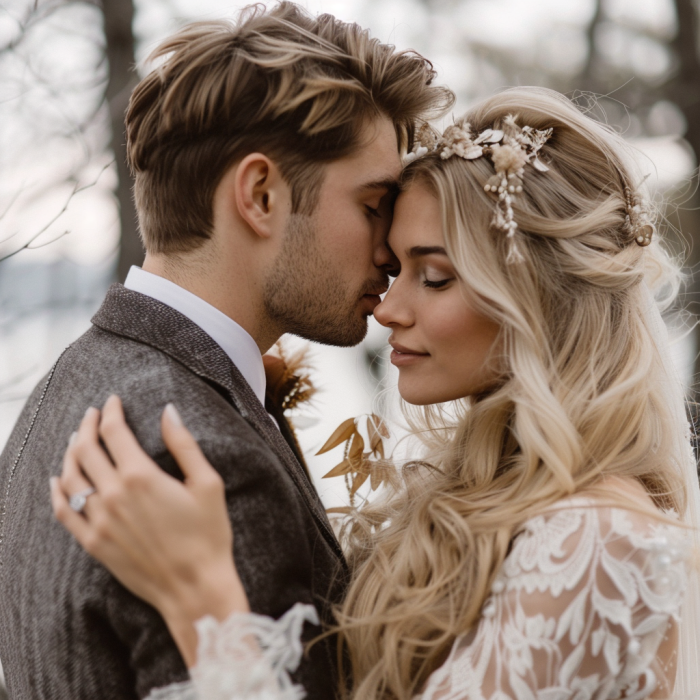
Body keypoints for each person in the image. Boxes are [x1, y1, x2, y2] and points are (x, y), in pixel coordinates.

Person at [52, 87, 700, 700]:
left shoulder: (600, 541)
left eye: (435, 276)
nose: (388, 309)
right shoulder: (499, 501)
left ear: (542, 301)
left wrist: (205, 604)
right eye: (395, 268)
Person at [0, 4, 452, 698]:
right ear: (261, 195)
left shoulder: (69, 384)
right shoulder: (203, 455)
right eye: (371, 205)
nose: (390, 251)